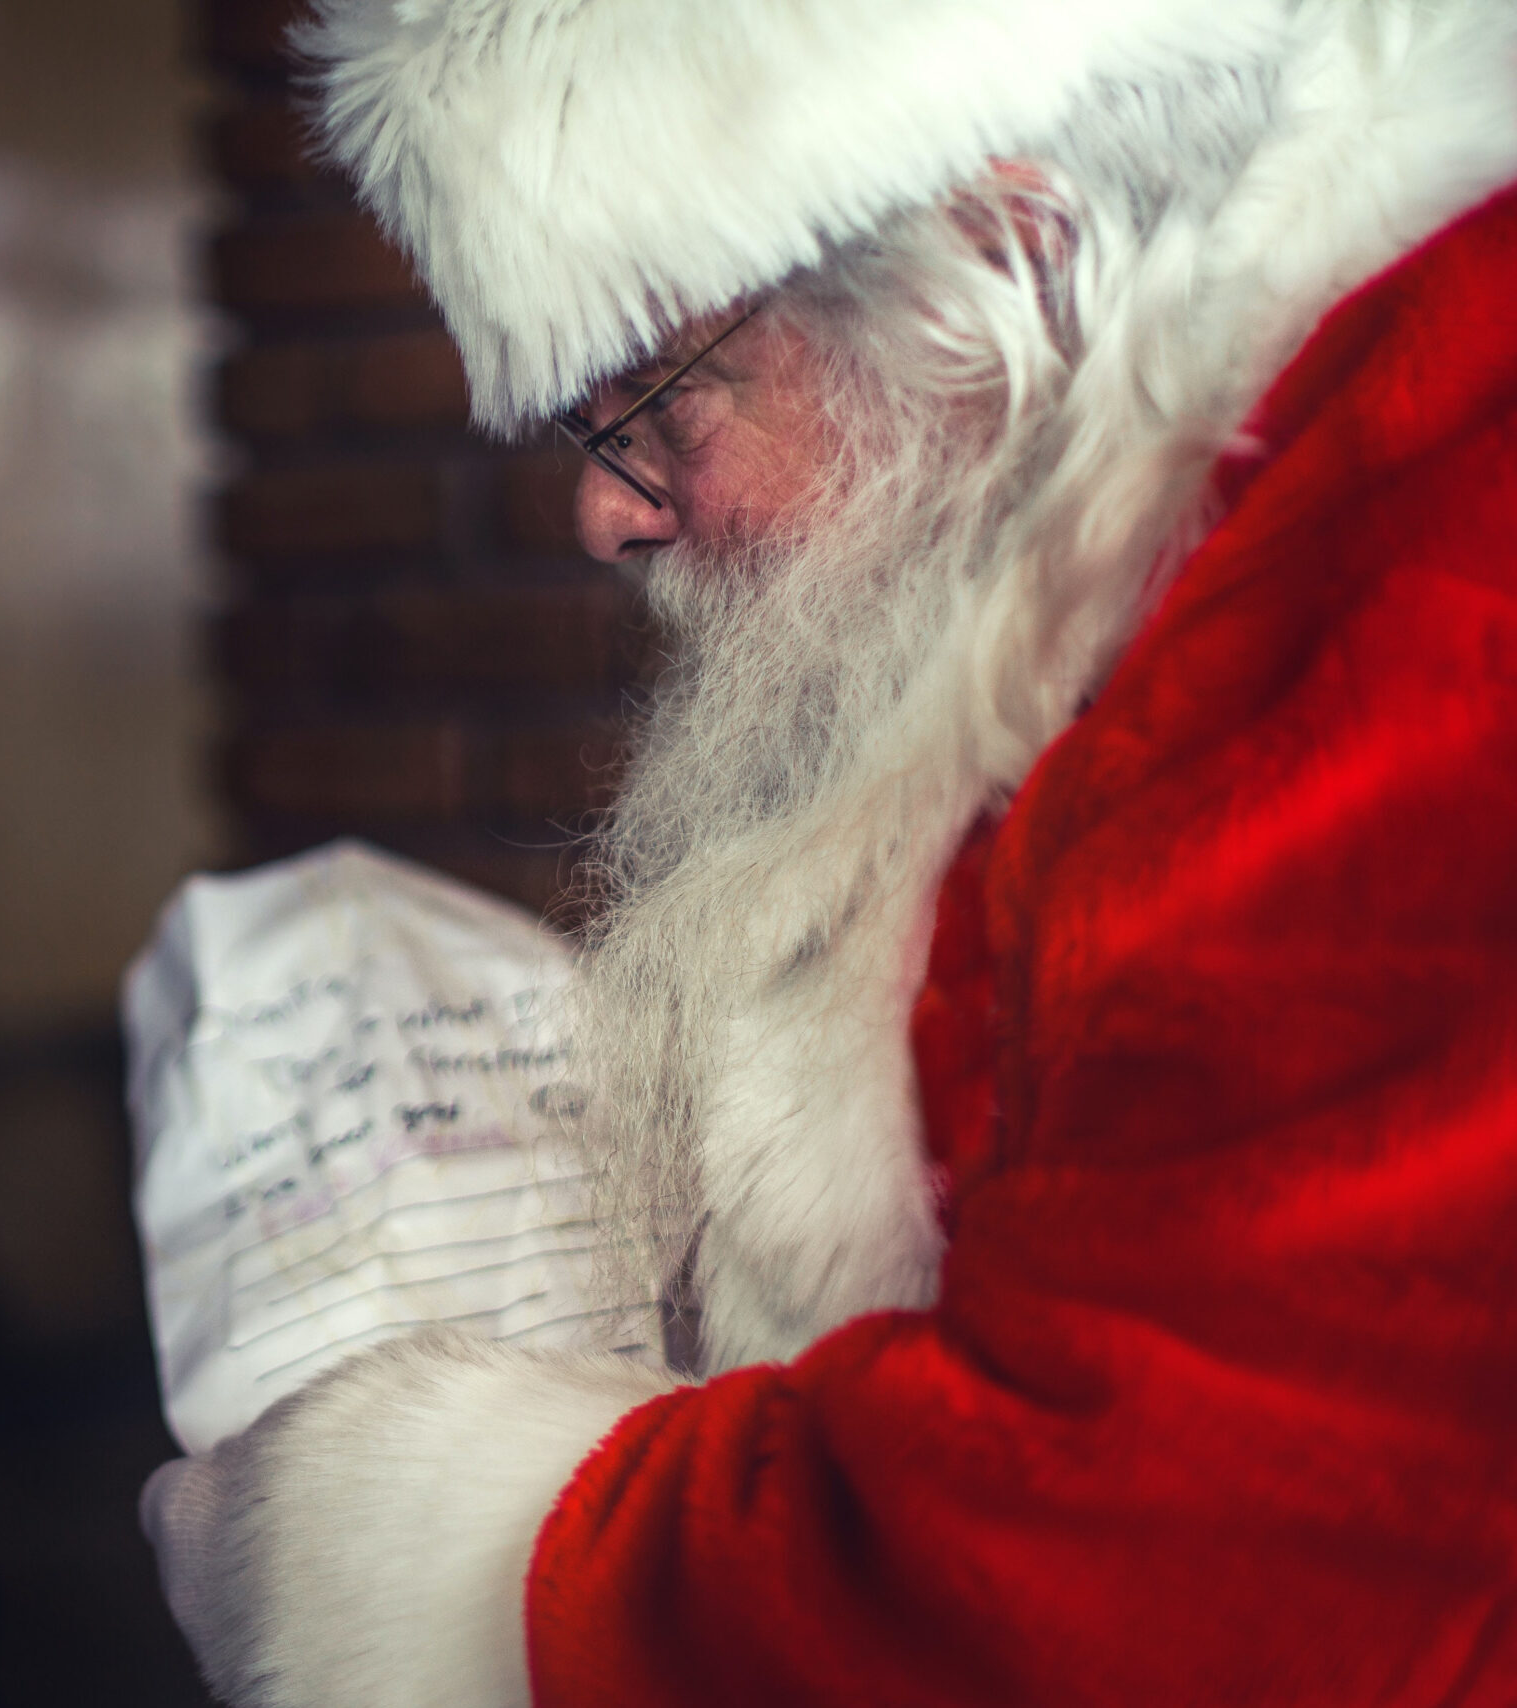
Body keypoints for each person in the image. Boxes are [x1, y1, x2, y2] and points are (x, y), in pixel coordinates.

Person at [142, 0, 1517, 1702]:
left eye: (644, 400)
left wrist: (417, 1548)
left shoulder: (1438, 545)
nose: (606, 511)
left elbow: (1160, 1573)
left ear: (998, 256)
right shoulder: (1166, 530)